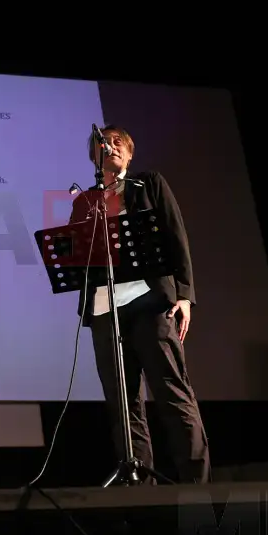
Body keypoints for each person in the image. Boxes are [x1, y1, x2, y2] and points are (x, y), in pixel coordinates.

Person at [68, 126, 210, 484]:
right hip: (105, 312)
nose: (111, 146)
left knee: (172, 393)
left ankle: (197, 486)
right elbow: (75, 257)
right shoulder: (84, 202)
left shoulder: (148, 184)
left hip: (149, 303)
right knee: (123, 407)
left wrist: (184, 294)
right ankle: (139, 491)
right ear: (95, 157)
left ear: (129, 155)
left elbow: (176, 235)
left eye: (119, 143)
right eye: (105, 143)